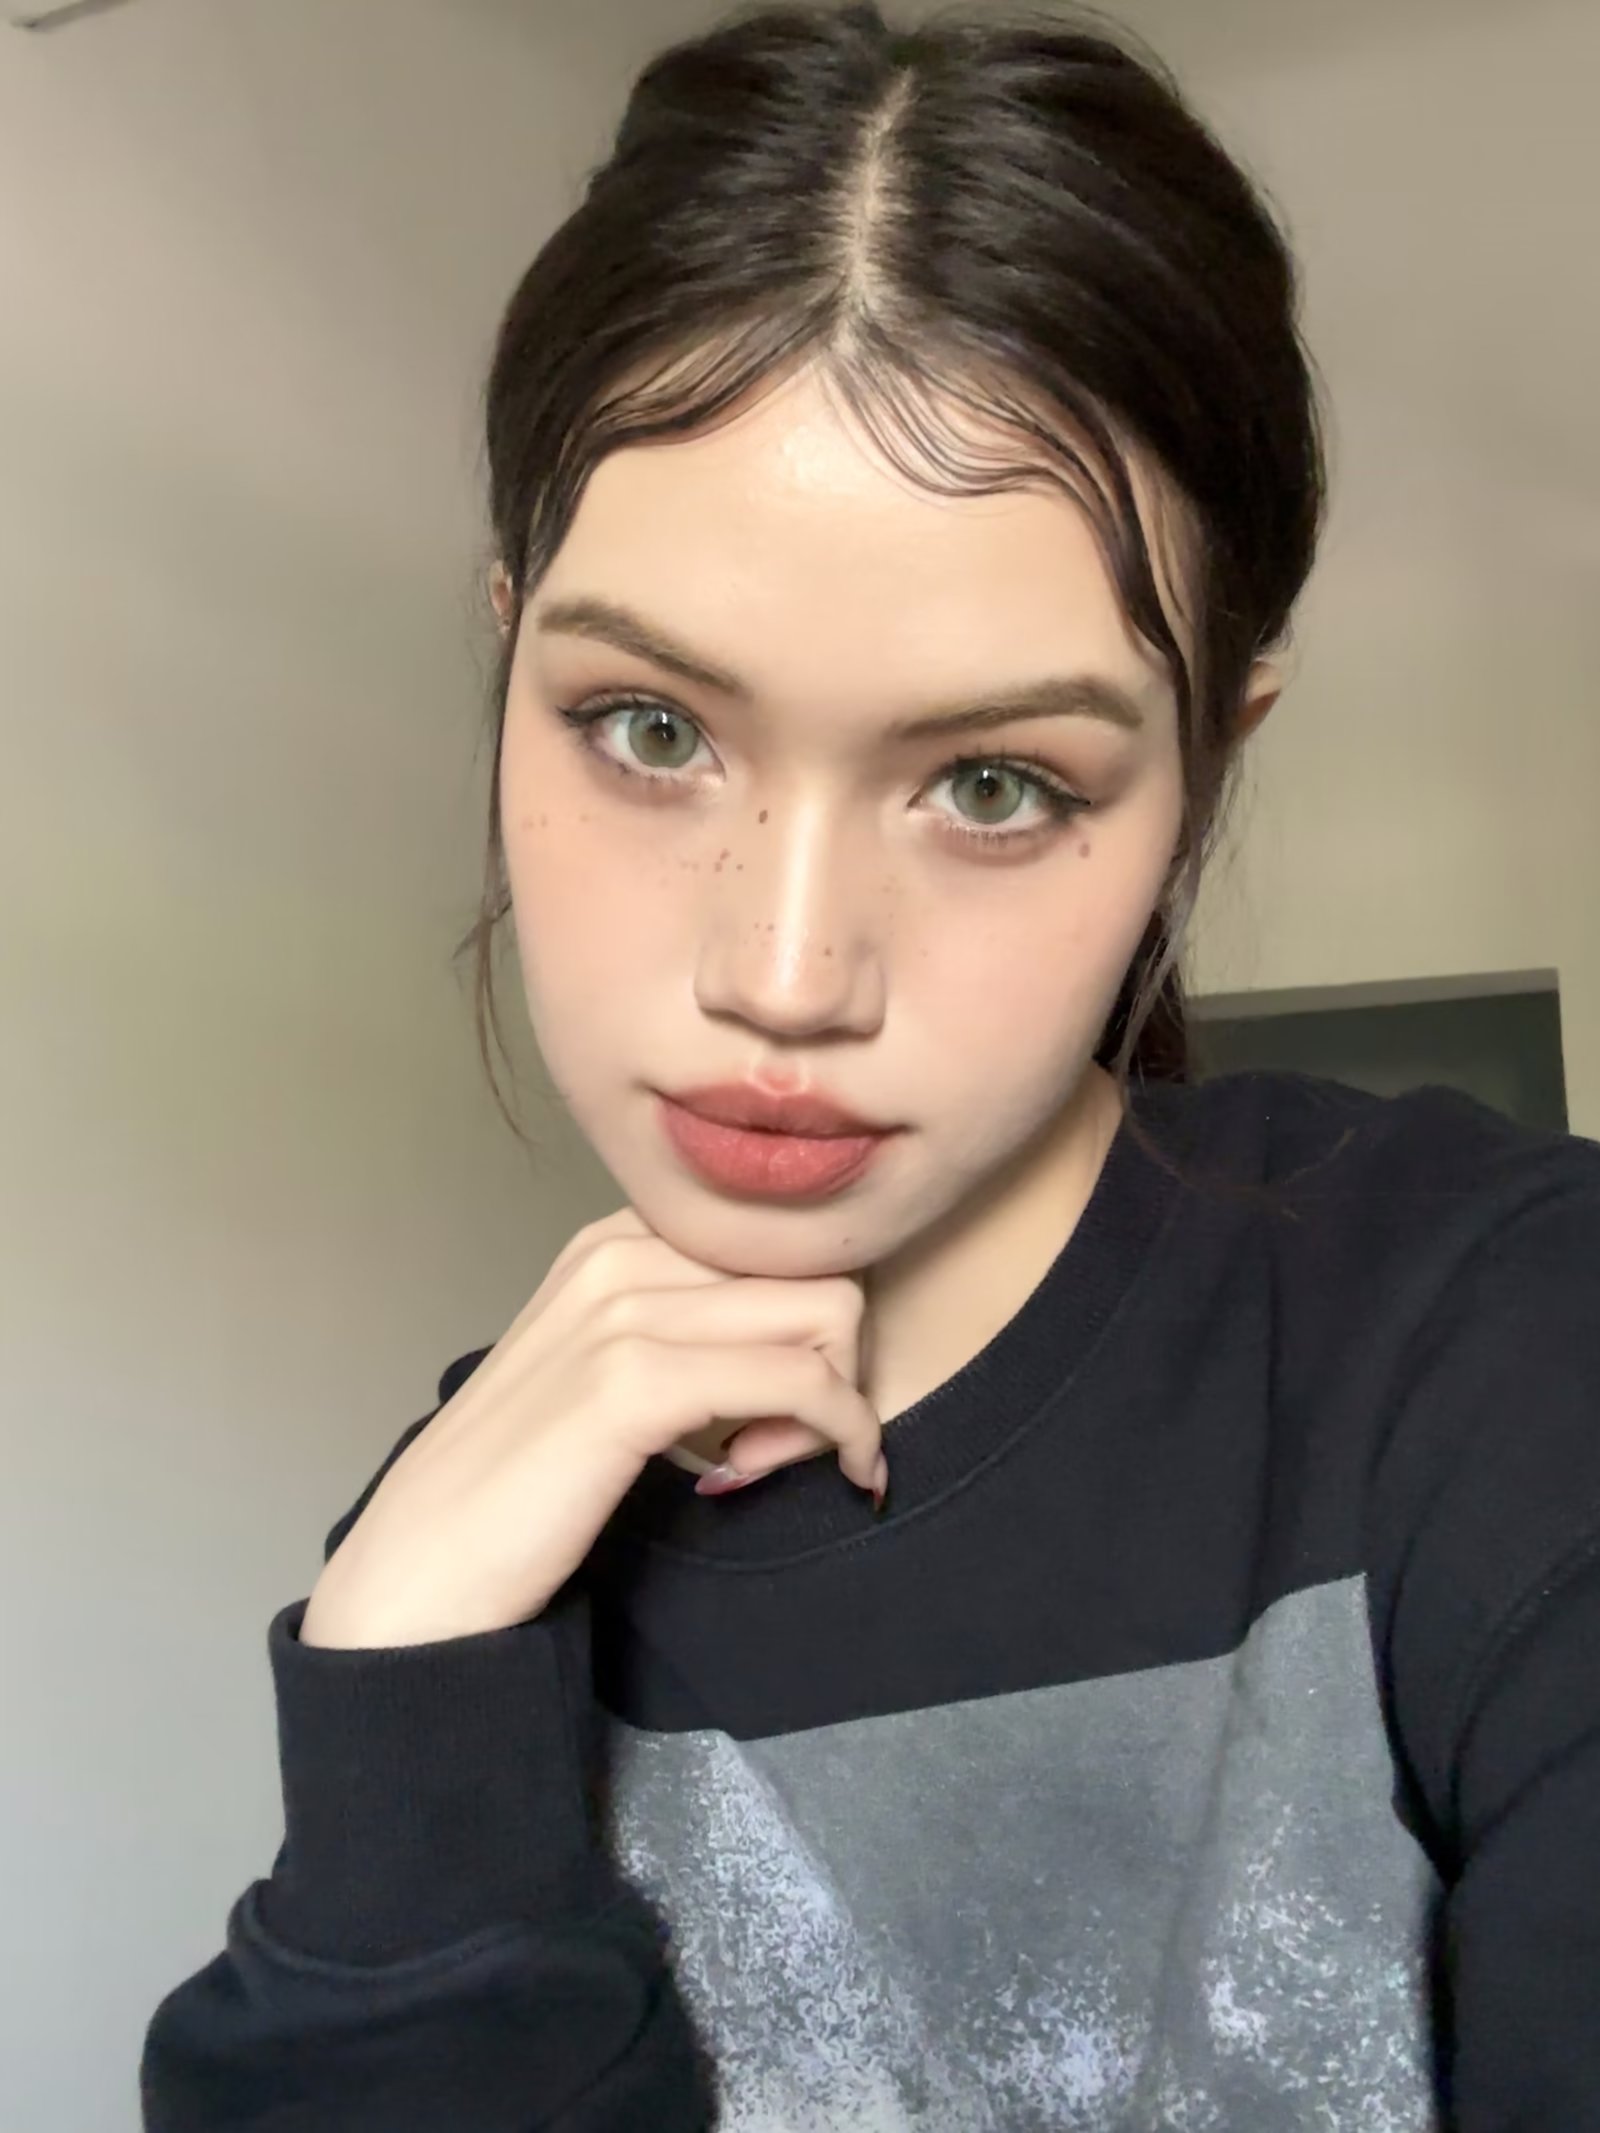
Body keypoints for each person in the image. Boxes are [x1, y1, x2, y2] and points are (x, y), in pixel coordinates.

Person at [140, 3, 1600, 2127]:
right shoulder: (472, 1519)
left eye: (994, 780)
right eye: (650, 728)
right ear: (510, 648)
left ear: (1205, 769)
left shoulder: (1507, 1343)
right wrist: (398, 1675)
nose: (785, 974)